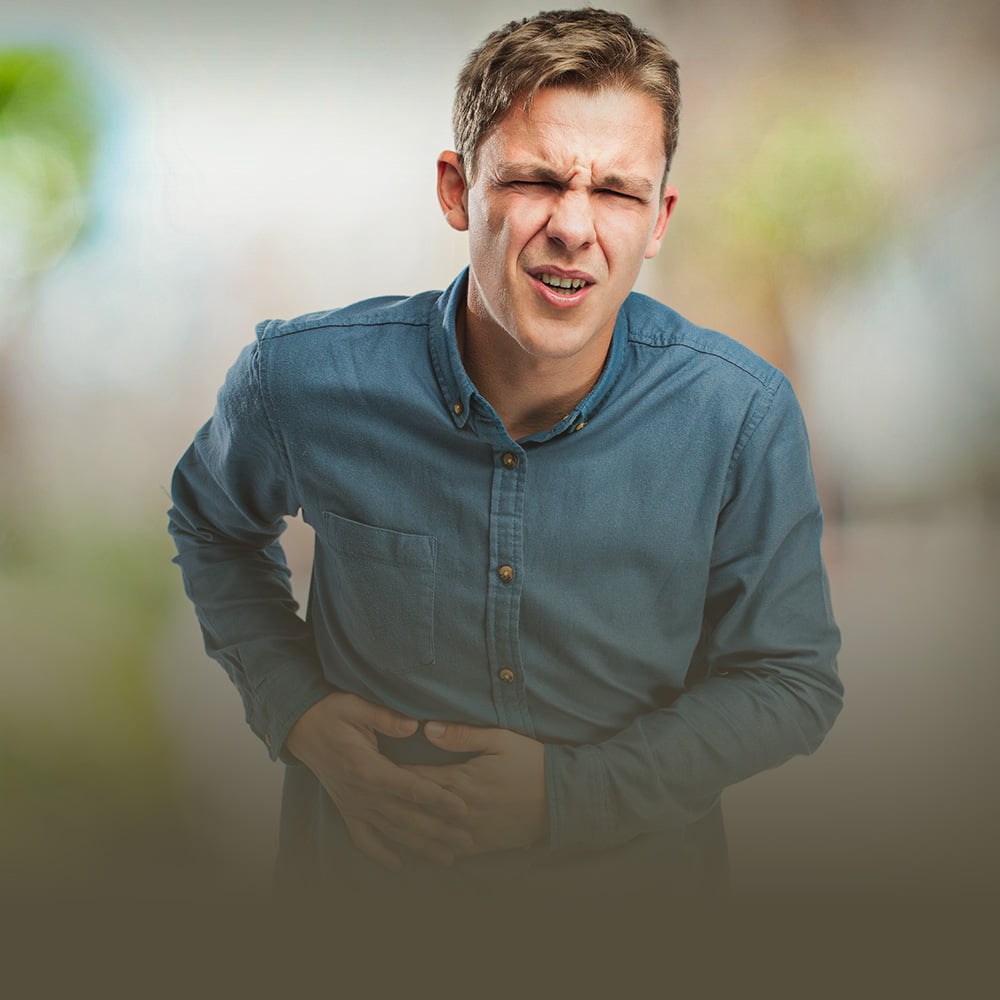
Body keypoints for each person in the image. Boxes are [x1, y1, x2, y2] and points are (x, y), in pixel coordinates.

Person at [168, 8, 842, 903]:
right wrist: (296, 711)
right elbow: (211, 525)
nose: (574, 226)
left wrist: (566, 797)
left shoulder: (739, 414)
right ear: (457, 190)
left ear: (659, 217)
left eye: (617, 192)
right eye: (534, 179)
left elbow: (789, 680)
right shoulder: (299, 380)